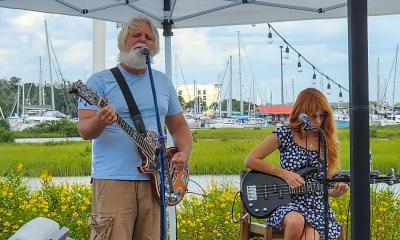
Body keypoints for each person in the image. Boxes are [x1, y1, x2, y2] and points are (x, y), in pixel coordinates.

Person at [77, 15, 192, 240]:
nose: (142, 40)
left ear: (155, 47)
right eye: (136, 35)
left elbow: (179, 126)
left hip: (157, 181)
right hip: (113, 179)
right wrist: (101, 119)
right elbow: (84, 130)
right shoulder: (98, 82)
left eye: (149, 37)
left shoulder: (162, 82)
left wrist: (184, 153)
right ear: (123, 41)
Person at [244, 88, 348, 240]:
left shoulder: (328, 141)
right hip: (285, 201)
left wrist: (334, 192)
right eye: (313, 116)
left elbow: (326, 182)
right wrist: (285, 174)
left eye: (322, 116)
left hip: (316, 206)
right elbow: (250, 160)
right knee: (295, 221)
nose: (318, 121)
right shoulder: (285, 134)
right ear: (302, 115)